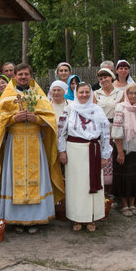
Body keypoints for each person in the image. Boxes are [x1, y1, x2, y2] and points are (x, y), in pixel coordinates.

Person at [0, 63, 64, 233]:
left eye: (26, 74)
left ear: (30, 75)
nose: (23, 77)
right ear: (15, 76)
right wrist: (12, 119)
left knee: (37, 178)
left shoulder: (38, 94)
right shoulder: (7, 95)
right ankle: (16, 220)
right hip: (14, 143)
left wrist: (37, 120)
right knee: (13, 180)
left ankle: (36, 220)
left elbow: (50, 119)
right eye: (20, 74)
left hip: (34, 141)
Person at [57, 83, 112, 232]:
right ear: (76, 93)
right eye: (81, 92)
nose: (84, 95)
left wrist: (105, 155)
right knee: (76, 187)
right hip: (75, 152)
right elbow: (61, 133)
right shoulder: (69, 110)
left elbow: (106, 134)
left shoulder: (98, 110)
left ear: (91, 93)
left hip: (94, 150)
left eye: (87, 92)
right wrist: (62, 152)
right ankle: (77, 218)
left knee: (90, 184)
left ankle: (91, 218)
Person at [111, 84, 136, 217]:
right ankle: (124, 204)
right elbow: (116, 132)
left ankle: (133, 203)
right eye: (130, 93)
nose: (133, 96)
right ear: (126, 95)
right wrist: (120, 152)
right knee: (123, 177)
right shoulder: (120, 108)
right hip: (123, 149)